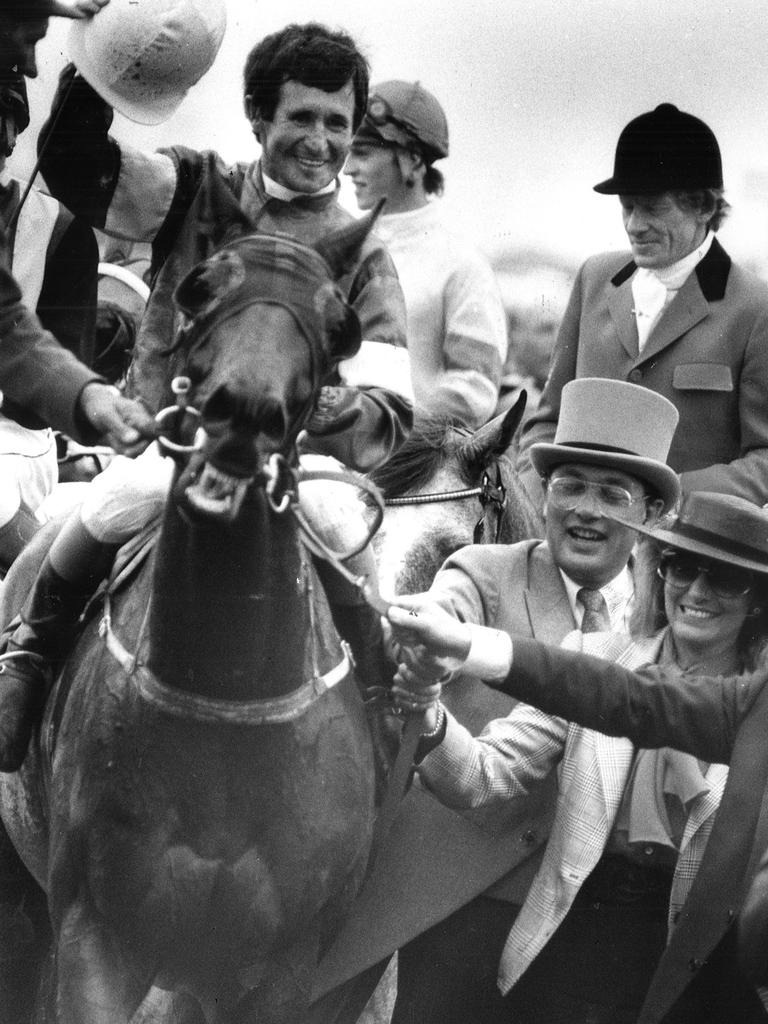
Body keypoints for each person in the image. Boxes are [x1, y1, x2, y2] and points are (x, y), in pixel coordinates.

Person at [0, 16, 413, 774]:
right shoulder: (195, 191)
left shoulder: (366, 257)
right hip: (171, 444)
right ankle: (29, 659)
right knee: (104, 502)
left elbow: (390, 416)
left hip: (292, 472)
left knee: (344, 525)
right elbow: (74, 165)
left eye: (338, 122)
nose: (319, 140)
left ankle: (381, 697)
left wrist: (345, 410)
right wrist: (101, 70)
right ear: (259, 117)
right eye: (300, 117)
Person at [388, 490, 768, 1023]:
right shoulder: (597, 655)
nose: (696, 591)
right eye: (681, 568)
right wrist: (427, 715)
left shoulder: (756, 706)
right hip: (570, 954)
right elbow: (480, 776)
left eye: (724, 578)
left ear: (758, 599)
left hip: (694, 977)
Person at [384, 375, 681, 1024]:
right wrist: (426, 667)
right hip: (471, 891)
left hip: (624, 920)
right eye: (569, 485)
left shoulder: (676, 618)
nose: (585, 509)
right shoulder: (485, 570)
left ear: (652, 515)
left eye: (613, 493)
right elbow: (440, 615)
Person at [516, 102, 768, 509]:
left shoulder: (756, 309)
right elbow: (547, 422)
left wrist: (662, 499)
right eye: (628, 206)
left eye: (652, 207)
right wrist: (532, 503)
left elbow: (764, 462)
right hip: (575, 540)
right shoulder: (593, 278)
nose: (634, 225)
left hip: (679, 555)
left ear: (704, 206)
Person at [0, 0, 152, 460]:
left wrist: (90, 398)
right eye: (26, 40)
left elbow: (7, 331)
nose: (29, 65)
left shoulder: (59, 230)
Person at [345, 80, 506, 429]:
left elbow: (474, 386)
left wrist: (389, 431)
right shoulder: (342, 246)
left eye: (363, 153)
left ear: (413, 160)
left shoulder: (461, 262)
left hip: (416, 467)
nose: (347, 169)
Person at [0, 67, 100, 569]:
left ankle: (34, 610)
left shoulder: (62, 231)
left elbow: (56, 388)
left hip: (13, 437)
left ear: (12, 130)